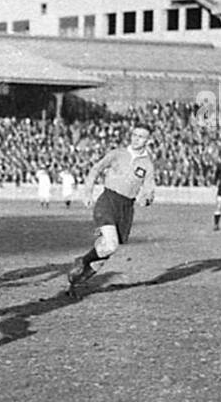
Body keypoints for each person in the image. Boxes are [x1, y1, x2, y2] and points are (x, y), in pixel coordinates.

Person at [66, 125, 156, 298]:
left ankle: (75, 282)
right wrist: (87, 192)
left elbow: (149, 190)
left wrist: (147, 199)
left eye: (141, 136)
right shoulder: (117, 154)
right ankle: (82, 261)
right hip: (108, 201)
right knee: (111, 244)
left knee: (106, 251)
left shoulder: (147, 165)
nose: (136, 139)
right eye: (134, 134)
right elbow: (96, 169)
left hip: (126, 209)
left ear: (148, 141)